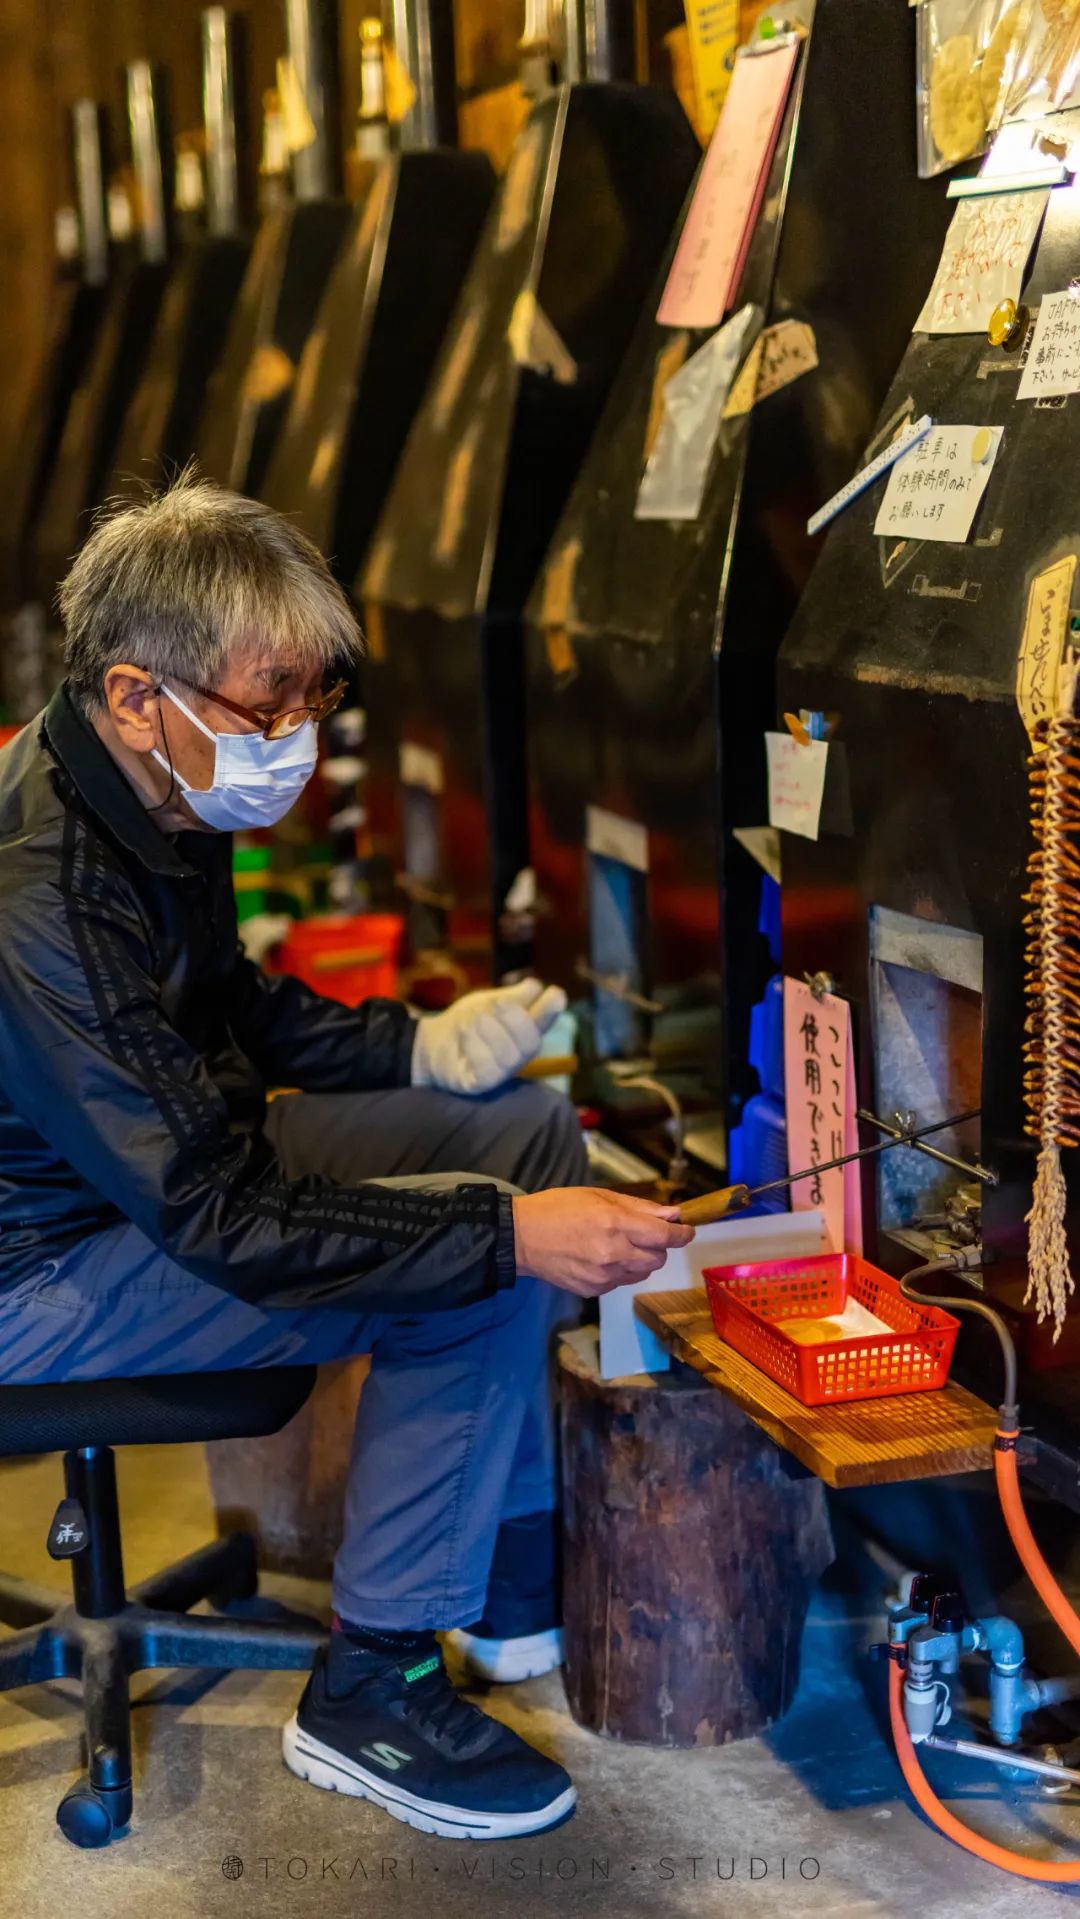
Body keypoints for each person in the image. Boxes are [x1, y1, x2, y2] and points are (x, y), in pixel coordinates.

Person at [0, 475, 693, 1841]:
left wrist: (421, 1048)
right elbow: (222, 1217)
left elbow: (225, 1006)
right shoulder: (43, 895)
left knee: (523, 1133)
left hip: (150, 1172)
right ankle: (372, 1688)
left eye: (314, 700)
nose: (299, 739)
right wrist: (508, 1238)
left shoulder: (146, 788)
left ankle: (491, 1565)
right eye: (270, 707)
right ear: (139, 694)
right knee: (483, 1248)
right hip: (45, 1267)